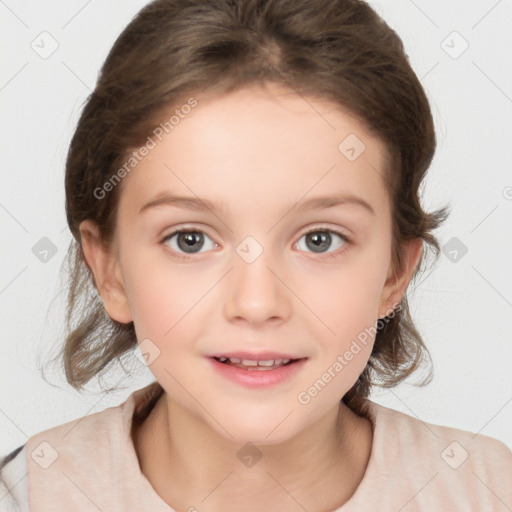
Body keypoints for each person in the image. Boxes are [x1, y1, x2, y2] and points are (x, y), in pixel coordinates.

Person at [1, 0, 511, 510]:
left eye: (319, 239)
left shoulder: (489, 491)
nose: (257, 303)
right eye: (190, 239)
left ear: (394, 273)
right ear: (109, 271)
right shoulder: (28, 495)